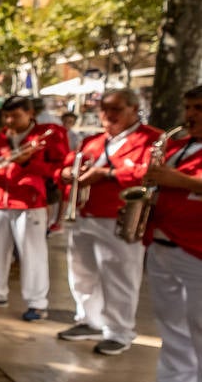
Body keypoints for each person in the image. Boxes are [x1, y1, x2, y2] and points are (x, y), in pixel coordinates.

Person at [56, 89, 160, 356]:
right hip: (85, 213)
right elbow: (66, 167)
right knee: (82, 273)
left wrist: (108, 174)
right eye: (104, 108)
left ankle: (119, 331)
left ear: (134, 109)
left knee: (120, 276)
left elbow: (151, 172)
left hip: (121, 216)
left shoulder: (151, 138)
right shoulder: (92, 141)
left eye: (115, 109)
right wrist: (67, 172)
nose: (107, 115)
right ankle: (88, 320)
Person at [131, 86, 202, 382]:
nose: (191, 115)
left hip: (197, 246)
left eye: (199, 108)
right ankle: (174, 381)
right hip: (163, 239)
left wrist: (178, 179)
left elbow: (185, 184)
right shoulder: (178, 146)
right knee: (170, 319)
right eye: (189, 107)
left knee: (200, 324)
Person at [0, 96, 69, 321]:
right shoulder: (0, 138)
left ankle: (37, 303)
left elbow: (59, 167)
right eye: (6, 116)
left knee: (32, 253)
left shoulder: (45, 136)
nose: (10, 120)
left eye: (15, 115)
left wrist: (26, 162)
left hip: (28, 201)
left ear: (30, 113)